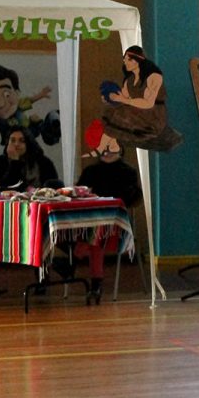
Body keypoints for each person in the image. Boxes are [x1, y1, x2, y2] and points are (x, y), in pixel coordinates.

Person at [53, 129, 142, 303]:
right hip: (87, 226)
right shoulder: (90, 171)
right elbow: (78, 194)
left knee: (96, 232)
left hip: (116, 226)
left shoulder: (128, 172)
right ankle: (95, 284)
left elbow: (129, 199)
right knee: (93, 233)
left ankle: (73, 263)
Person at [93, 45, 182, 153]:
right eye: (124, 59)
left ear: (138, 60)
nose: (125, 62)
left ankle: (107, 146)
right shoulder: (129, 80)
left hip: (153, 115)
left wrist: (122, 100)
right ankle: (102, 147)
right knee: (114, 113)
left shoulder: (154, 77)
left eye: (129, 59)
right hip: (136, 111)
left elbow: (148, 103)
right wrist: (111, 98)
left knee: (122, 115)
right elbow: (123, 98)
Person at [0, 63, 54, 145]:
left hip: (30, 130)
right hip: (13, 141)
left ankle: (45, 128)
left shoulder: (18, 105)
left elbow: (30, 100)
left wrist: (40, 95)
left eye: (7, 95)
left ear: (16, 92)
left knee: (36, 120)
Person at [0, 125, 59, 191]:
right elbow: (4, 188)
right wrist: (15, 162)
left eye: (21, 141)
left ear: (28, 144)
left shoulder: (44, 162)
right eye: (13, 141)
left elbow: (53, 189)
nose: (16, 144)